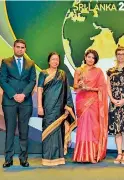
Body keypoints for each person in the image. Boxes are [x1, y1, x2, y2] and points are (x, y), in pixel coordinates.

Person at [0, 39, 36, 168]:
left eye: (22, 47)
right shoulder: (5, 62)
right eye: (18, 47)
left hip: (25, 102)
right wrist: (14, 95)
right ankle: (8, 159)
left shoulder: (31, 63)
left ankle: (23, 158)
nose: (20, 49)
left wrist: (23, 95)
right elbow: (2, 80)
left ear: (25, 49)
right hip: (10, 101)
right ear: (14, 48)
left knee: (24, 130)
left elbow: (32, 81)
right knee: (10, 130)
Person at [37, 52, 76, 166]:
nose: (55, 61)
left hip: (59, 107)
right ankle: (47, 158)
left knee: (58, 132)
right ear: (49, 61)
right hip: (47, 107)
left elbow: (67, 91)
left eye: (57, 59)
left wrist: (68, 105)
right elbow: (40, 90)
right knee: (48, 131)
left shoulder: (62, 74)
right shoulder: (43, 73)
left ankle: (59, 158)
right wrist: (39, 106)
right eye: (53, 59)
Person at [72, 49, 108, 163]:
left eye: (93, 57)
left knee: (94, 128)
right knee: (83, 128)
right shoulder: (79, 70)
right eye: (89, 57)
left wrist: (89, 88)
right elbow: (75, 86)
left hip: (94, 102)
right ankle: (81, 155)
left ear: (95, 60)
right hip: (82, 101)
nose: (90, 59)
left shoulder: (99, 72)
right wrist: (80, 85)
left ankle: (93, 154)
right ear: (85, 57)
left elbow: (102, 88)